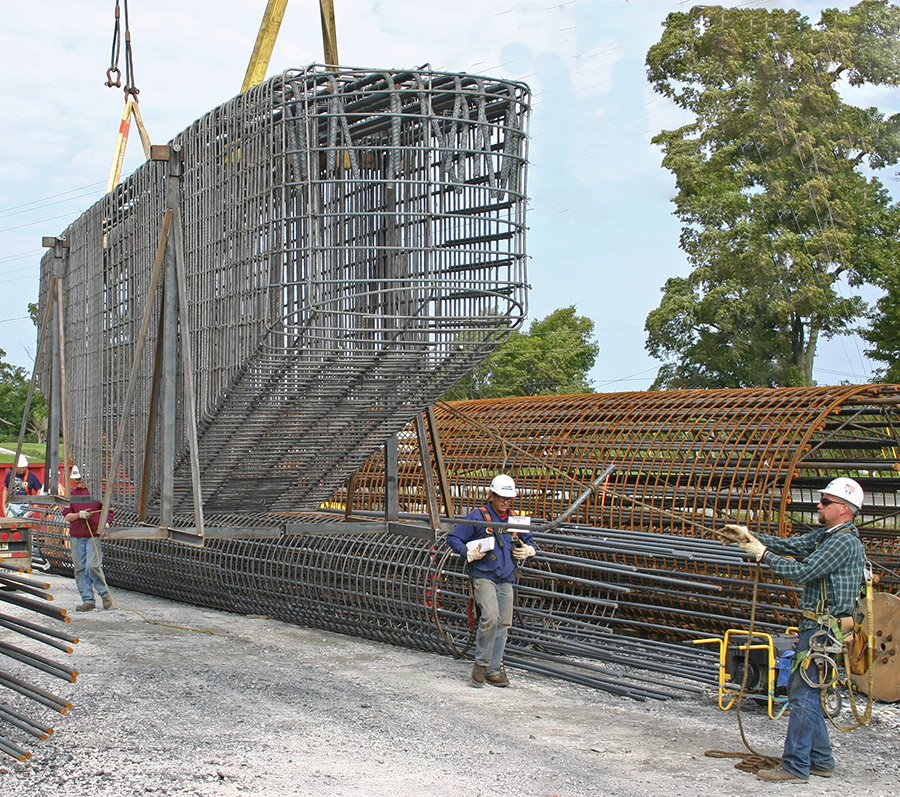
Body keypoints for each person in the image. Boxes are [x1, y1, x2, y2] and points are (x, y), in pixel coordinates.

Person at [719, 476, 866, 784]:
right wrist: (748, 536)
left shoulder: (843, 542)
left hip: (823, 631)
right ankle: (821, 760)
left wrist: (762, 554)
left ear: (843, 508)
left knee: (802, 695)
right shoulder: (829, 535)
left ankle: (797, 766)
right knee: (807, 692)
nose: (819, 505)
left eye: (825, 502)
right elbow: (792, 545)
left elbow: (803, 571)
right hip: (817, 626)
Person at [447, 474, 536, 687]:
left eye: (509, 499)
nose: (505, 503)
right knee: (490, 617)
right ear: (492, 495)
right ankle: (481, 664)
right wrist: (466, 552)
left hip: (506, 577)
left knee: (504, 622)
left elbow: (529, 539)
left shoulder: (515, 520)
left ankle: (493, 670)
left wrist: (529, 549)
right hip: (483, 575)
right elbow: (453, 537)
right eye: (501, 498)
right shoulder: (478, 517)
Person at [64, 465, 114, 612]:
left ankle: (105, 594)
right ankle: (88, 600)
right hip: (77, 536)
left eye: (80, 480)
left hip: (94, 535)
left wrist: (106, 522)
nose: (78, 483)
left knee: (92, 566)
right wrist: (79, 515)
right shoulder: (72, 495)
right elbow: (67, 516)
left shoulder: (98, 494)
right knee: (80, 568)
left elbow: (109, 511)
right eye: (76, 480)